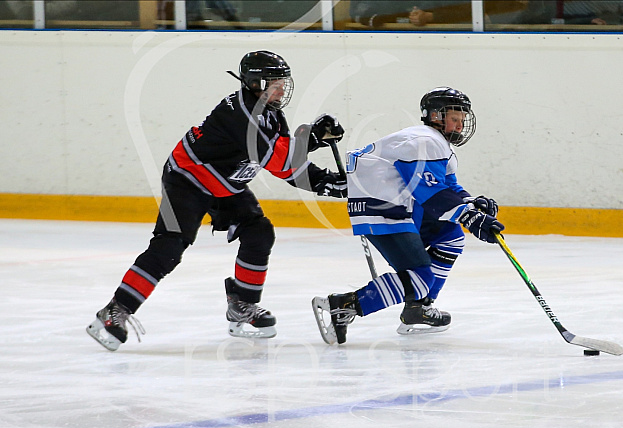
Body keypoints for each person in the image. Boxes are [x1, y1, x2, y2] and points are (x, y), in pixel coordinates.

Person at [87, 50, 347, 351]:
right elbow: (278, 159)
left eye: (282, 83)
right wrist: (313, 139)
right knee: (170, 246)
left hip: (224, 184)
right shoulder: (241, 113)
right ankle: (115, 310)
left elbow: (287, 164)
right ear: (253, 83)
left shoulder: (272, 114)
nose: (280, 89)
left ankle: (242, 308)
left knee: (259, 232)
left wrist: (325, 182)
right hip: (187, 178)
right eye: (273, 83)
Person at [312, 87, 504, 345]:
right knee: (420, 277)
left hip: (403, 206)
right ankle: (343, 305)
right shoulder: (425, 142)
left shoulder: (433, 142)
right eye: (454, 118)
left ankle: (418, 308)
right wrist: (469, 216)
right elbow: (430, 193)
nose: (459, 125)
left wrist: (469, 202)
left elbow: (446, 185)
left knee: (451, 236)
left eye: (462, 120)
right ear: (436, 115)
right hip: (383, 209)